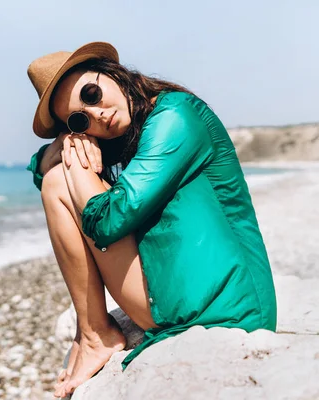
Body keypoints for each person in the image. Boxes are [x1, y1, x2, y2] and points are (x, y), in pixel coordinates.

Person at [25, 42, 277, 398]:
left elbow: (110, 220)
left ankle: (95, 335)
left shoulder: (176, 117)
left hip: (227, 307)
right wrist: (68, 143)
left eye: (92, 94)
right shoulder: (132, 130)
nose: (97, 115)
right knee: (56, 180)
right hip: (180, 296)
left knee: (62, 179)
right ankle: (94, 334)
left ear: (111, 73)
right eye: (81, 120)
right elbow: (41, 174)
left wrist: (72, 159)